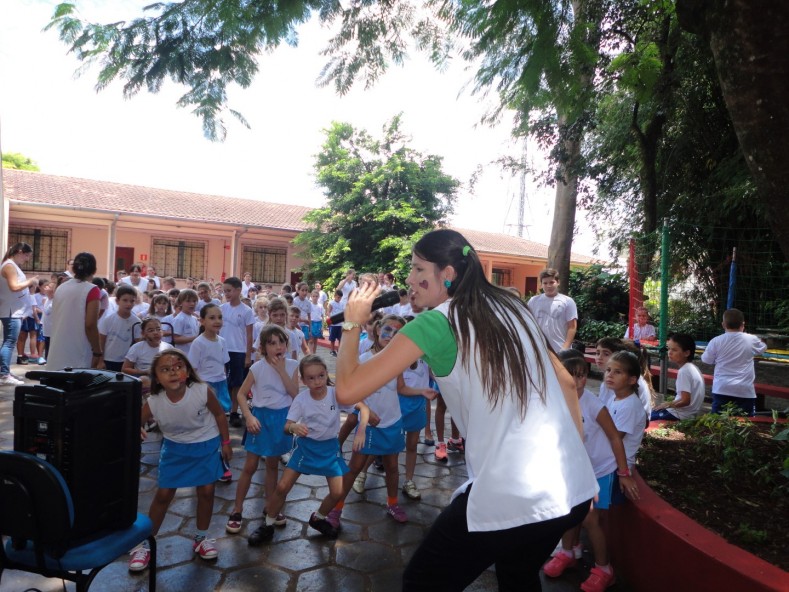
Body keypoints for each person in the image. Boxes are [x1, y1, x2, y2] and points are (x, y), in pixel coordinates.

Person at [334, 229, 597, 591]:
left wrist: (352, 322)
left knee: (422, 582)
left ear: (448, 274)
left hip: (513, 494)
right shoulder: (512, 307)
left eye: (417, 268)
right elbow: (567, 383)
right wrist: (578, 461)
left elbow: (347, 390)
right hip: (573, 487)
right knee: (517, 574)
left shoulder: (434, 324)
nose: (409, 279)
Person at [127, 350, 232, 572]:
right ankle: (145, 544)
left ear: (187, 371)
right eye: (165, 369)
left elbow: (220, 415)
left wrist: (225, 443)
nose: (173, 372)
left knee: (206, 491)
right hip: (175, 449)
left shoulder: (202, 391)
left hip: (206, 444)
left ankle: (202, 538)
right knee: (164, 494)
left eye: (178, 367)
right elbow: (135, 421)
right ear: (156, 377)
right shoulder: (154, 402)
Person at [543, 353, 639, 592]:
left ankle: (604, 569)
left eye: (582, 376)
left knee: (589, 518)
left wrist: (624, 473)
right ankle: (568, 553)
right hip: (577, 467)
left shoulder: (594, 405)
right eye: (570, 376)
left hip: (601, 469)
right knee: (569, 512)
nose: (577, 382)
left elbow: (616, 438)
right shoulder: (555, 401)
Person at [249, 355, 369, 541]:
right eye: (311, 378)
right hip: (306, 448)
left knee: (338, 492)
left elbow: (363, 407)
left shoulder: (335, 394)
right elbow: (286, 427)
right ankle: (268, 524)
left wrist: (361, 429)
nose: (317, 381)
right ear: (303, 380)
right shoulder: (301, 399)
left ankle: (318, 518)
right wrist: (294, 427)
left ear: (326, 374)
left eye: (321, 375)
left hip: (330, 448)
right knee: (282, 486)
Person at [322, 314, 410, 525]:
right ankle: (337, 509)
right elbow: (351, 393)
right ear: (378, 330)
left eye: (397, 333)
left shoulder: (398, 361)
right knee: (354, 467)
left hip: (393, 422)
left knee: (392, 467)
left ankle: (392, 503)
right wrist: (367, 412)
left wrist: (422, 392)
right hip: (369, 425)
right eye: (388, 329)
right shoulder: (363, 360)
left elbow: (401, 388)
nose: (391, 335)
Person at [226, 325, 299, 544]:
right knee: (249, 465)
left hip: (280, 420)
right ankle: (237, 509)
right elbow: (240, 394)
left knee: (272, 465)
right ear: (263, 347)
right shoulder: (257, 368)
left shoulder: (293, 365)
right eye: (272, 343)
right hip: (259, 419)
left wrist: (280, 370)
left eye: (281, 342)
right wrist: (248, 416)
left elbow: (295, 394)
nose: (278, 347)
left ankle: (271, 507)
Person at [700, 308, 767, 417]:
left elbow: (706, 359)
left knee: (718, 421)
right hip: (744, 389)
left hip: (722, 387)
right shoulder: (751, 339)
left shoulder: (716, 341)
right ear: (743, 324)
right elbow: (763, 348)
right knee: (744, 424)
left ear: (723, 324)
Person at [46, 252, 101, 372]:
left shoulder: (61, 287)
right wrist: (97, 351)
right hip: (78, 351)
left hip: (57, 350)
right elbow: (90, 325)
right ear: (94, 270)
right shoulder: (92, 290)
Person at [397, 346, 439, 500]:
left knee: (412, 445)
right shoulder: (398, 357)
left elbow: (434, 375)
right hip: (398, 404)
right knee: (391, 446)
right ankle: (362, 472)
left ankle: (408, 480)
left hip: (417, 405)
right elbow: (399, 387)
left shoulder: (425, 357)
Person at [0, 242, 38, 385]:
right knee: (9, 342)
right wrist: (30, 281)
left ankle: (4, 371)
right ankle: (4, 375)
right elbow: (14, 286)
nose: (27, 259)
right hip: (12, 311)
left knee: (8, 342)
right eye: (26, 255)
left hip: (14, 310)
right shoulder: (9, 266)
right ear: (20, 251)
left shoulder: (10, 265)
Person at [221, 277, 256, 428]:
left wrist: (248, 355)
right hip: (222, 350)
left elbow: (249, 335)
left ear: (238, 290)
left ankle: (234, 411)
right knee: (223, 382)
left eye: (229, 291)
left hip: (238, 351)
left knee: (236, 384)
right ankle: (223, 409)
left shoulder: (246, 311)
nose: (226, 294)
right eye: (225, 291)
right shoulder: (222, 308)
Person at [651, 333, 705, 421]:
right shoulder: (692, 368)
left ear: (686, 353)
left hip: (678, 415)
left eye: (674, 350)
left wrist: (667, 404)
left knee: (643, 419)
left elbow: (685, 401)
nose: (669, 352)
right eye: (669, 349)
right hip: (688, 414)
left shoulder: (684, 371)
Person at [527, 268, 578, 351]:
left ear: (558, 282)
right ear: (541, 284)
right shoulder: (533, 301)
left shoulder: (568, 301)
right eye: (545, 283)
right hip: (538, 349)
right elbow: (528, 324)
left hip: (560, 349)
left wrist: (565, 348)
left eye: (551, 282)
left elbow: (572, 327)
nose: (548, 286)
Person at [122, 317, 173, 389]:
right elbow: (125, 369)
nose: (155, 333)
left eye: (158, 329)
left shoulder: (169, 348)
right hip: (144, 378)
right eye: (151, 330)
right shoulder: (136, 347)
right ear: (143, 333)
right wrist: (144, 372)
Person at [97, 284, 139, 371]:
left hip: (127, 362)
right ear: (117, 301)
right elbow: (101, 341)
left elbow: (138, 343)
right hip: (108, 360)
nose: (128, 304)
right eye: (125, 300)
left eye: (132, 301)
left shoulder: (137, 322)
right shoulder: (108, 320)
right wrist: (100, 361)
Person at [326, 290, 344, 357]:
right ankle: (332, 350)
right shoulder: (331, 303)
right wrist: (330, 319)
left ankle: (339, 350)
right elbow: (328, 312)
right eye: (338, 297)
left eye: (340, 298)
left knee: (340, 338)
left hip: (340, 324)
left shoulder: (342, 303)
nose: (339, 299)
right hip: (334, 324)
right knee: (332, 338)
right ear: (335, 296)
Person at [308, 289, 324, 354]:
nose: (315, 298)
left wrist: (322, 326)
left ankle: (314, 353)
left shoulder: (320, 306)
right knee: (310, 339)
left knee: (315, 340)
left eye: (316, 296)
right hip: (312, 322)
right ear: (311, 296)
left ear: (318, 297)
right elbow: (308, 315)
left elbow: (322, 316)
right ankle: (310, 352)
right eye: (313, 296)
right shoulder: (309, 305)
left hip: (318, 323)